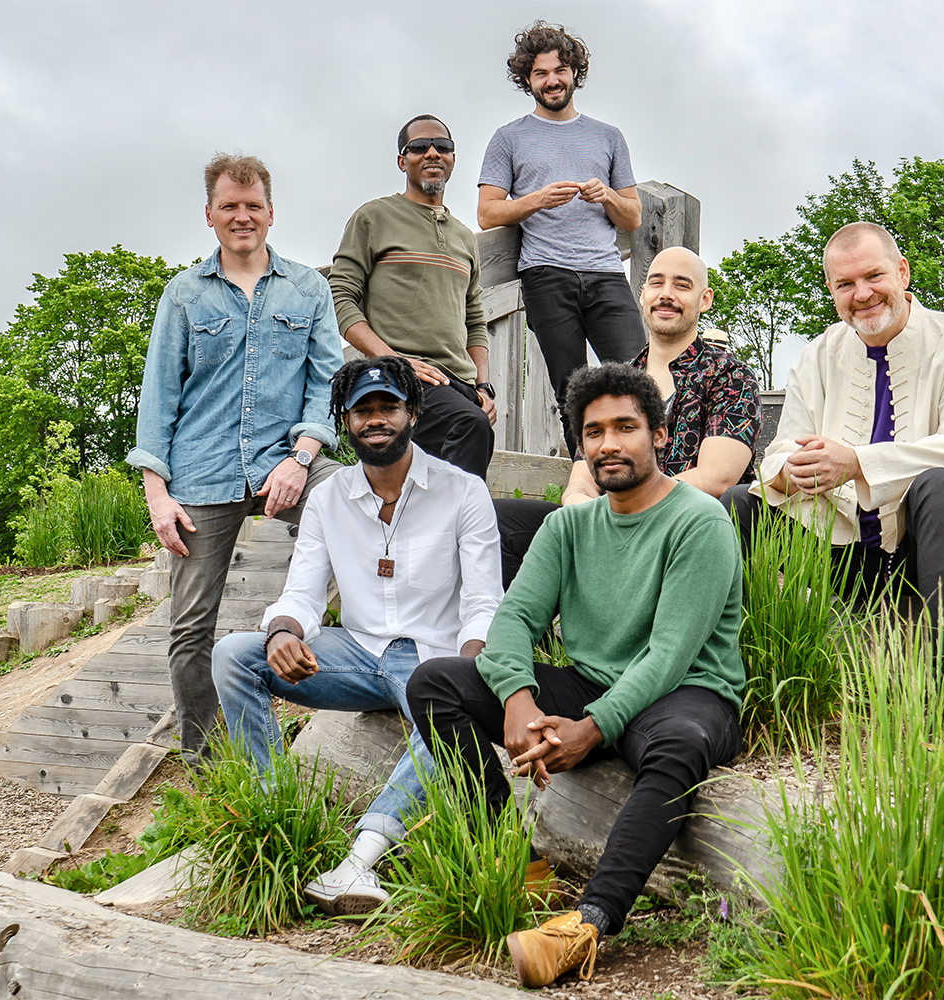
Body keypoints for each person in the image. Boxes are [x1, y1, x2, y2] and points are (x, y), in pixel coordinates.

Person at [407, 362, 745, 989]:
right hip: (594, 683)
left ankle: (589, 922)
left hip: (687, 692)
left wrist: (591, 729)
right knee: (436, 683)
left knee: (681, 742)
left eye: (625, 427)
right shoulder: (568, 526)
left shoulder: (699, 520)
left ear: (660, 435)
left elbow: (669, 655)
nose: (609, 444)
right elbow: (514, 619)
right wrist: (517, 699)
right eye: (594, 432)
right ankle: (522, 865)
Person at [211, 357, 503, 916]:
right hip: (356, 653)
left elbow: (484, 601)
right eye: (361, 410)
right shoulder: (329, 498)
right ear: (344, 421)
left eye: (388, 406)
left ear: (412, 413)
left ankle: (360, 859)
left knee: (449, 712)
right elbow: (302, 593)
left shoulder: (462, 492)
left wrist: (468, 669)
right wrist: (282, 631)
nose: (376, 419)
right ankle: (275, 822)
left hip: (432, 659)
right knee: (233, 655)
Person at [128, 154, 342, 761]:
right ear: (210, 215)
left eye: (253, 206)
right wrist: (157, 494)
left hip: (286, 458)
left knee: (357, 502)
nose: (242, 216)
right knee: (190, 625)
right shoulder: (183, 294)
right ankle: (206, 760)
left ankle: (369, 671)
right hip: (202, 471)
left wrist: (302, 457)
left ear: (271, 213)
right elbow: (159, 394)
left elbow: (326, 382)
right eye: (229, 206)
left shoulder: (307, 288)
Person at [724, 221, 944, 667]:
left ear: (902, 272)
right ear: (831, 290)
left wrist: (856, 463)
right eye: (845, 284)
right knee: (738, 503)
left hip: (936, 547)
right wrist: (791, 472)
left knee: (939, 484)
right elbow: (781, 451)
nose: (862, 294)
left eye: (874, 276)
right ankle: (734, 663)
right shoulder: (816, 356)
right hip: (848, 555)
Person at [494, 246, 759, 587]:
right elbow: (582, 476)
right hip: (609, 523)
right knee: (500, 521)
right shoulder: (614, 382)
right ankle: (532, 625)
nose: (666, 294)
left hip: (686, 527)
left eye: (681, 285)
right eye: (657, 283)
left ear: (704, 299)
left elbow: (717, 478)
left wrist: (632, 508)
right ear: (643, 294)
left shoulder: (728, 375)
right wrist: (579, 505)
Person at [477, 19, 645, 458]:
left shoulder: (608, 136)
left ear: (574, 73)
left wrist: (607, 195)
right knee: (572, 391)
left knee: (638, 379)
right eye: (540, 73)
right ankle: (587, 481)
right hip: (546, 274)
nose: (551, 81)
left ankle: (645, 478)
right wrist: (536, 200)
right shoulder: (508, 138)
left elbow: (632, 217)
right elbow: (487, 212)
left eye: (559, 71)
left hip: (606, 273)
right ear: (527, 80)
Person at [329, 115, 498, 479]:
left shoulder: (464, 237)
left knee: (444, 461)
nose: (432, 153)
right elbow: (341, 297)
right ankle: (462, 517)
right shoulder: (373, 218)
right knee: (469, 426)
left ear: (453, 159)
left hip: (459, 383)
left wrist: (483, 385)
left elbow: (474, 317)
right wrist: (395, 360)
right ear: (402, 161)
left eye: (443, 146)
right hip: (401, 378)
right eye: (420, 147)